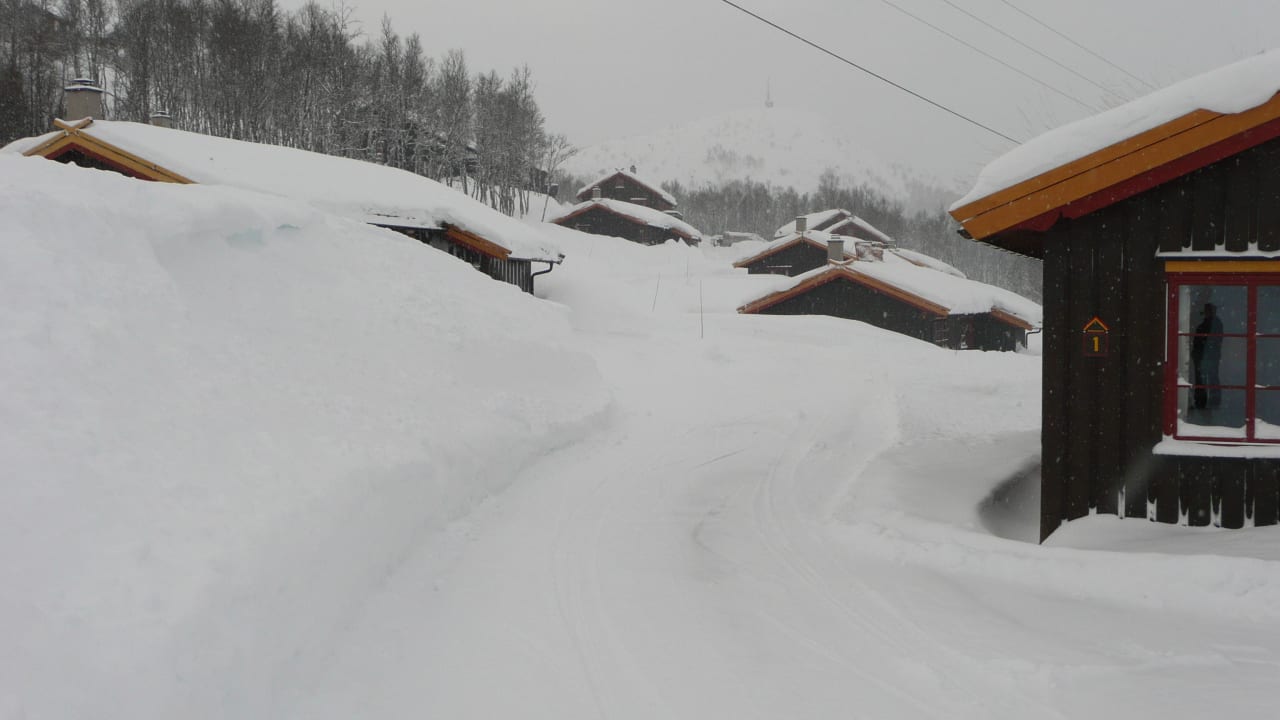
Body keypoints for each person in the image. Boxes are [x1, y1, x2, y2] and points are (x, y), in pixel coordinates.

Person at [1191, 302, 1223, 409]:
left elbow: (1207, 339)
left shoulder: (1210, 324)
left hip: (1205, 355)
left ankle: (1202, 401)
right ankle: (1210, 401)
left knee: (1204, 378)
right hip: (1207, 355)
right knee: (1209, 377)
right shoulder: (1215, 323)